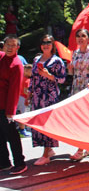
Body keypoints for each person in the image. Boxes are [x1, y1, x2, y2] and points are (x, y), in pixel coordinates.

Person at [30, 35, 66, 165]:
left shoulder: (57, 61)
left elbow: (62, 79)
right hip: (37, 96)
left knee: (47, 123)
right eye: (43, 42)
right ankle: (48, 150)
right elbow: (33, 78)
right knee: (38, 123)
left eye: (48, 43)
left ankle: (46, 154)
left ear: (52, 45)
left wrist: (48, 75)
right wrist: (30, 93)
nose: (46, 45)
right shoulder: (36, 59)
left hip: (49, 96)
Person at [68, 28, 89, 161]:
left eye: (83, 36)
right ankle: (87, 146)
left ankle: (81, 149)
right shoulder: (75, 53)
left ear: (88, 38)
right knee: (78, 118)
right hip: (77, 86)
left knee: (87, 118)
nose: (80, 38)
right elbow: (72, 73)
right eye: (78, 36)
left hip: (88, 86)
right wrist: (69, 69)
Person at [0, 35, 27, 174]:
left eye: (13, 45)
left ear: (18, 47)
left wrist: (11, 111)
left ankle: (20, 163)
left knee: (12, 135)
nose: (10, 47)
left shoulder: (16, 64)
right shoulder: (1, 57)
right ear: (3, 45)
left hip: (6, 106)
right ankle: (4, 162)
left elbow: (15, 90)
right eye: (7, 45)